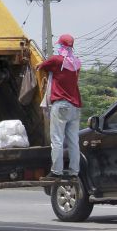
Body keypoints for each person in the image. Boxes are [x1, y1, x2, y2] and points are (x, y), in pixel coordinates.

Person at [37, 34, 82, 180]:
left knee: (56, 139)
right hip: (75, 107)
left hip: (61, 105)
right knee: (73, 141)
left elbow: (40, 66)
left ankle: (56, 172)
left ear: (61, 46)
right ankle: (74, 172)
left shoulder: (56, 60)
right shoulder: (77, 63)